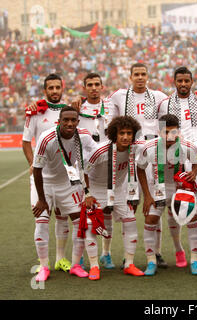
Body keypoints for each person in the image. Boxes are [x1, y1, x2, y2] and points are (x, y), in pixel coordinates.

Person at [108, 63, 169, 268]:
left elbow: (165, 124)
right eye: (137, 74)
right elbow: (107, 116)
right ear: (130, 76)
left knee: (155, 204)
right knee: (129, 205)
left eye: (143, 74)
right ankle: (129, 254)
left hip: (152, 153)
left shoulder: (159, 97)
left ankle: (157, 252)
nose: (140, 78)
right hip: (129, 153)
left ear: (148, 76)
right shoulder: (118, 96)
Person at [32, 106, 98, 281]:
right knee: (42, 222)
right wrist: (41, 199)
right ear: (59, 121)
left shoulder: (83, 136)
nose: (69, 123)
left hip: (68, 183)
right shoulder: (47, 138)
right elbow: (37, 170)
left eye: (73, 120)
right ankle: (44, 267)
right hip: (44, 183)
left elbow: (97, 152)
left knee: (81, 223)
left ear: (78, 121)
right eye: (65, 120)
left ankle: (76, 265)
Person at [157, 66, 197, 268]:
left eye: (186, 81)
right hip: (173, 161)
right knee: (175, 208)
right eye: (179, 81)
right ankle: (179, 250)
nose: (183, 84)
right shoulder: (163, 104)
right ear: (174, 81)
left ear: (191, 81)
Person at [137, 114, 197, 276]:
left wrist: (193, 172)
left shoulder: (187, 146)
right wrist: (147, 195)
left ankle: (194, 260)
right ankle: (151, 261)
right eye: (166, 132)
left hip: (179, 188)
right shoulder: (148, 147)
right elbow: (140, 168)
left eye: (173, 132)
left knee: (192, 219)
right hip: (157, 189)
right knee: (150, 219)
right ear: (159, 132)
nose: (170, 136)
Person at [22, 74, 73, 274]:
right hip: (41, 176)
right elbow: (26, 142)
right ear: (45, 91)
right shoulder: (35, 112)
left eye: (57, 87)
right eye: (50, 88)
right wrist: (32, 164)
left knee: (62, 218)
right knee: (41, 218)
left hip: (64, 176)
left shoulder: (69, 110)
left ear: (62, 88)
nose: (54, 91)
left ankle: (61, 259)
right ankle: (43, 265)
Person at [84, 116, 145, 277]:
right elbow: (83, 171)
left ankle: (129, 264)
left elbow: (153, 144)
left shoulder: (136, 147)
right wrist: (87, 194)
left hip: (117, 191)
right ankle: (94, 266)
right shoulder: (100, 150)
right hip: (96, 191)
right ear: (114, 135)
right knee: (91, 226)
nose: (126, 137)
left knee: (131, 222)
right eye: (122, 133)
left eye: (129, 133)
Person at [77, 72, 118, 269]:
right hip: (85, 166)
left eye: (97, 84)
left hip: (108, 165)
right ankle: (85, 253)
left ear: (102, 87)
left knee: (107, 211)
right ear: (84, 88)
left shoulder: (112, 106)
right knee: (84, 211)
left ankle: (106, 253)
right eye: (90, 85)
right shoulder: (77, 108)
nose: (94, 87)